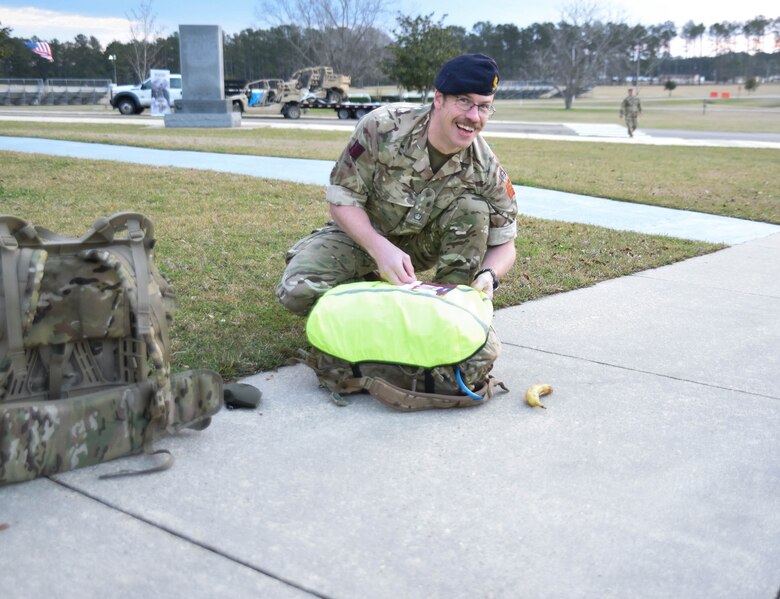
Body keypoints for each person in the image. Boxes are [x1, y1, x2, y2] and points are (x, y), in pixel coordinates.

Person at [276, 53, 517, 316]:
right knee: (297, 290)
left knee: (474, 208)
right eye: (464, 101)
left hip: (418, 248)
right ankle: (382, 296)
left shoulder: (485, 167)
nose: (473, 116)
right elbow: (342, 199)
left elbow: (505, 242)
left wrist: (488, 275)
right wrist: (379, 248)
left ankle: (447, 306)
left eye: (484, 106)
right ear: (439, 98)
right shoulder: (383, 127)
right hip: (361, 237)